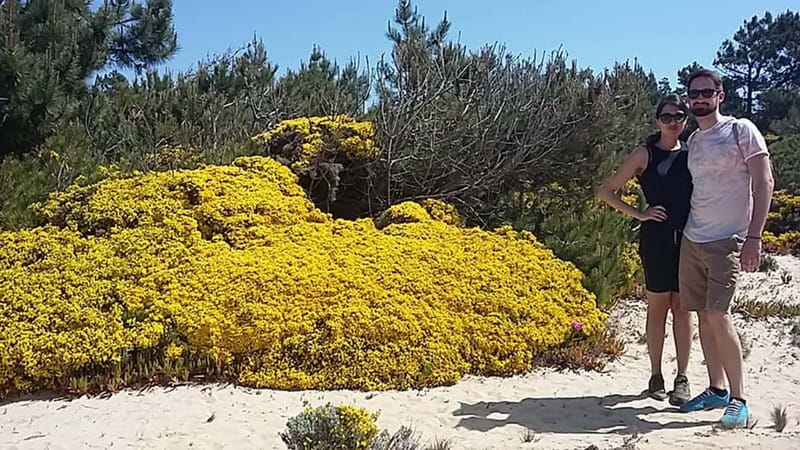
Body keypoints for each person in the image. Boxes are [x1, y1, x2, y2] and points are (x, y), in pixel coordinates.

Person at [677, 69, 774, 428]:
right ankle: (716, 389)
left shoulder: (740, 130)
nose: (699, 99)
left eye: (706, 92)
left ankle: (739, 398)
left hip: (728, 239)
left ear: (720, 95)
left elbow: (764, 182)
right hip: (694, 238)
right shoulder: (694, 140)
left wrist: (754, 237)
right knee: (704, 315)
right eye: (694, 94)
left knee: (719, 315)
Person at [598, 94, 693, 406]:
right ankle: (656, 375)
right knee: (658, 307)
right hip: (656, 238)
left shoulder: (693, 152)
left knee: (683, 309)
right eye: (666, 116)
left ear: (686, 120)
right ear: (657, 121)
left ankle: (682, 377)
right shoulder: (645, 154)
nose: (672, 122)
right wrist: (639, 214)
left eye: (678, 116)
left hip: (690, 238)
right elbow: (606, 191)